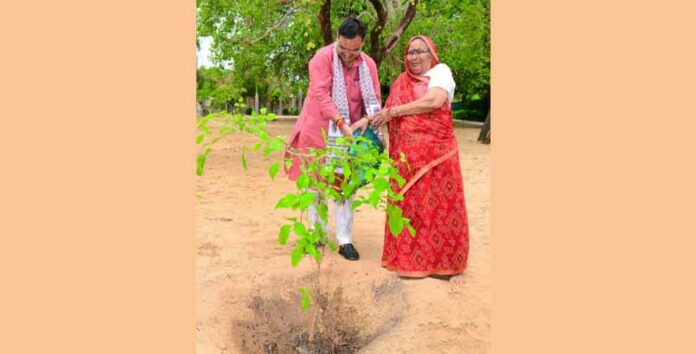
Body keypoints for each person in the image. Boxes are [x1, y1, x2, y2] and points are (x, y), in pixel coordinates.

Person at [364, 35, 470, 279]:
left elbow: (434, 101)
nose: (414, 57)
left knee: (442, 210)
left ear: (432, 54)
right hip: (406, 162)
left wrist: (394, 112)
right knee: (413, 211)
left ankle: (445, 266)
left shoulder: (441, 72)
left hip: (438, 157)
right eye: (410, 52)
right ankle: (410, 262)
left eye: (420, 51)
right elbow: (384, 114)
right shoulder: (402, 81)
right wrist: (367, 120)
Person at [284, 17, 382, 261]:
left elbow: (374, 101)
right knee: (315, 184)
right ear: (338, 38)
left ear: (361, 45)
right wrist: (340, 122)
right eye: (344, 49)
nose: (349, 55)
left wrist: (365, 122)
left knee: (343, 186)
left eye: (355, 50)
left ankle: (344, 240)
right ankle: (316, 234)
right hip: (317, 130)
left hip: (350, 135)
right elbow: (320, 94)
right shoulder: (322, 58)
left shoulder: (368, 65)